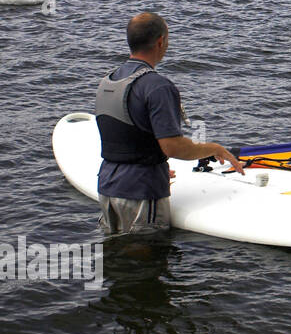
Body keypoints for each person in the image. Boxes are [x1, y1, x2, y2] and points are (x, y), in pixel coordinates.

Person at [95, 13, 244, 235]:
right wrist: (214, 148)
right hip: (142, 191)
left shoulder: (108, 80)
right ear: (160, 42)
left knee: (115, 259)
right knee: (145, 261)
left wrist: (154, 164)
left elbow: (125, 135)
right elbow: (173, 147)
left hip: (108, 185)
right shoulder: (158, 87)